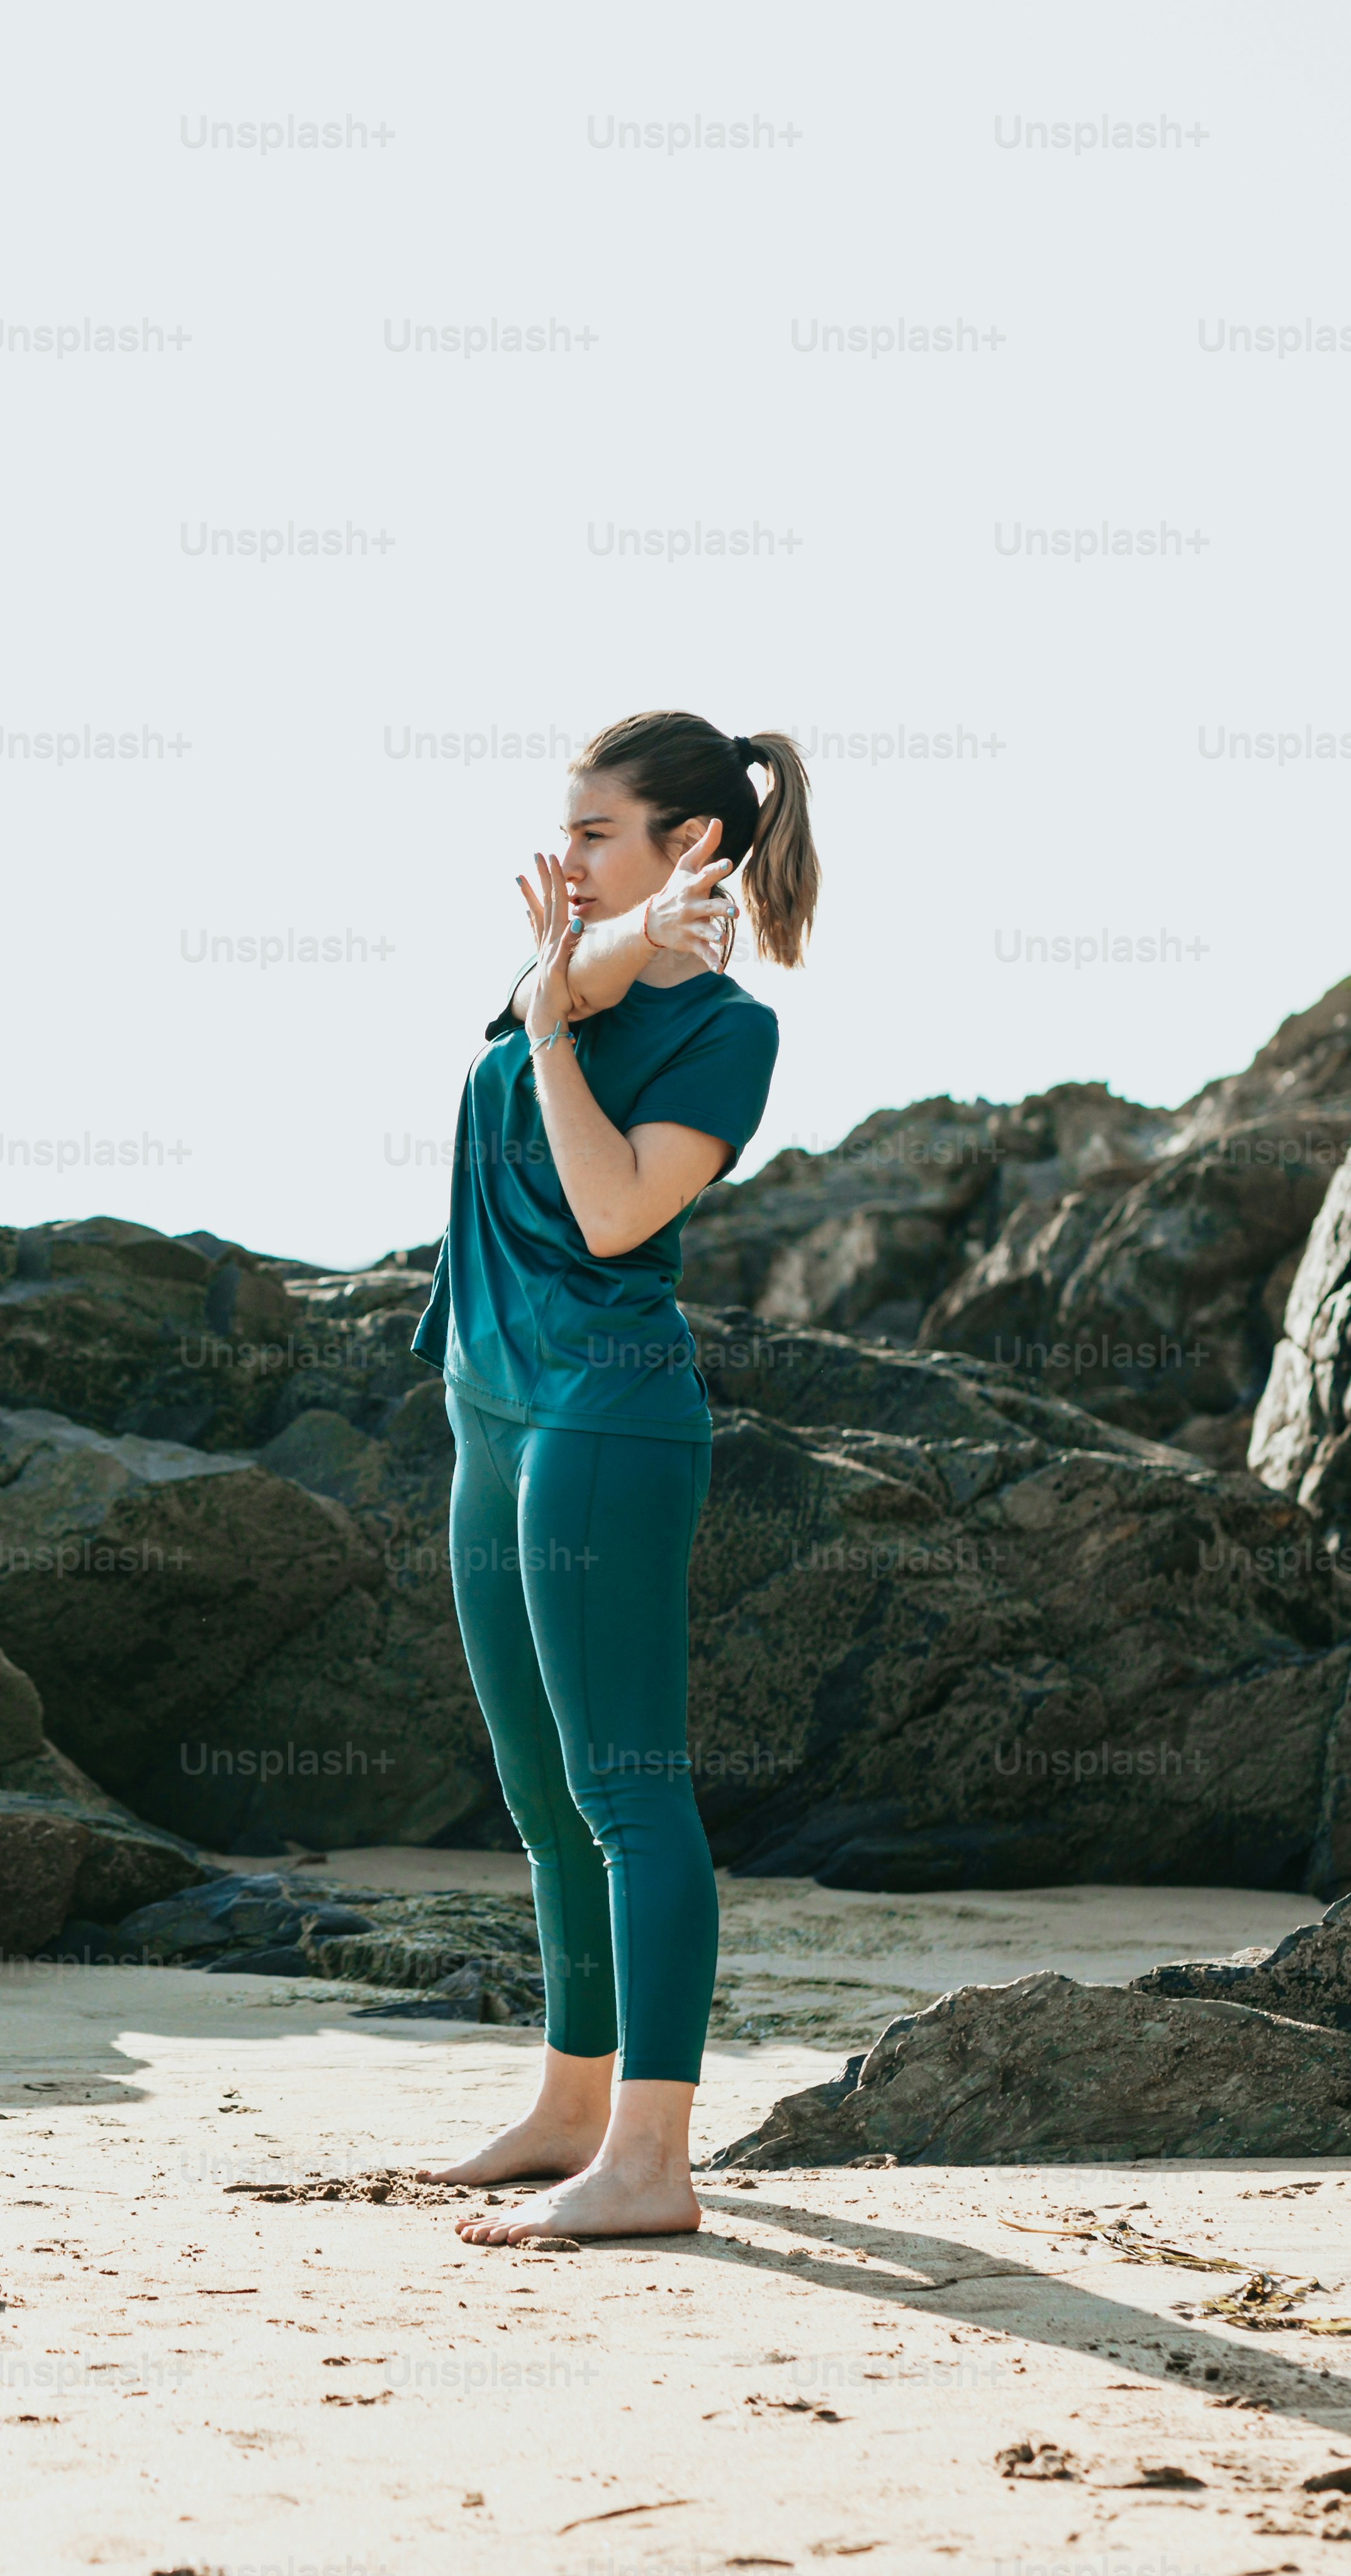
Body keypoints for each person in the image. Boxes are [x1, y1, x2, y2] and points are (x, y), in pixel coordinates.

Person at [403, 709, 818, 2246]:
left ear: (688, 841)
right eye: (564, 829)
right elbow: (538, 988)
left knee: (628, 1789)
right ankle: (573, 2107)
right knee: (536, 1792)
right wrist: (585, 961)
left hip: (607, 1417)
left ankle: (653, 2155)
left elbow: (618, 1208)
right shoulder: (556, 969)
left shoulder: (728, 1032)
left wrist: (568, 1025)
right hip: (489, 1412)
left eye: (594, 833)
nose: (559, 858)